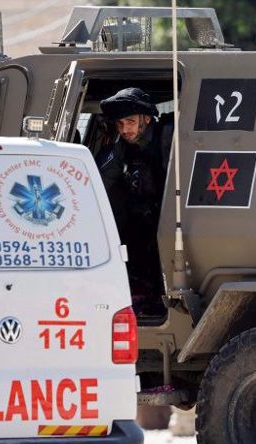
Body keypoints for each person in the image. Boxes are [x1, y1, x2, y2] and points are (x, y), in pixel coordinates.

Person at [96, 87, 173, 317]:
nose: (125, 129)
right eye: (120, 124)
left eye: (129, 122)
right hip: (141, 226)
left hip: (168, 223)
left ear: (146, 119)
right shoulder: (123, 146)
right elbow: (99, 181)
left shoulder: (167, 140)